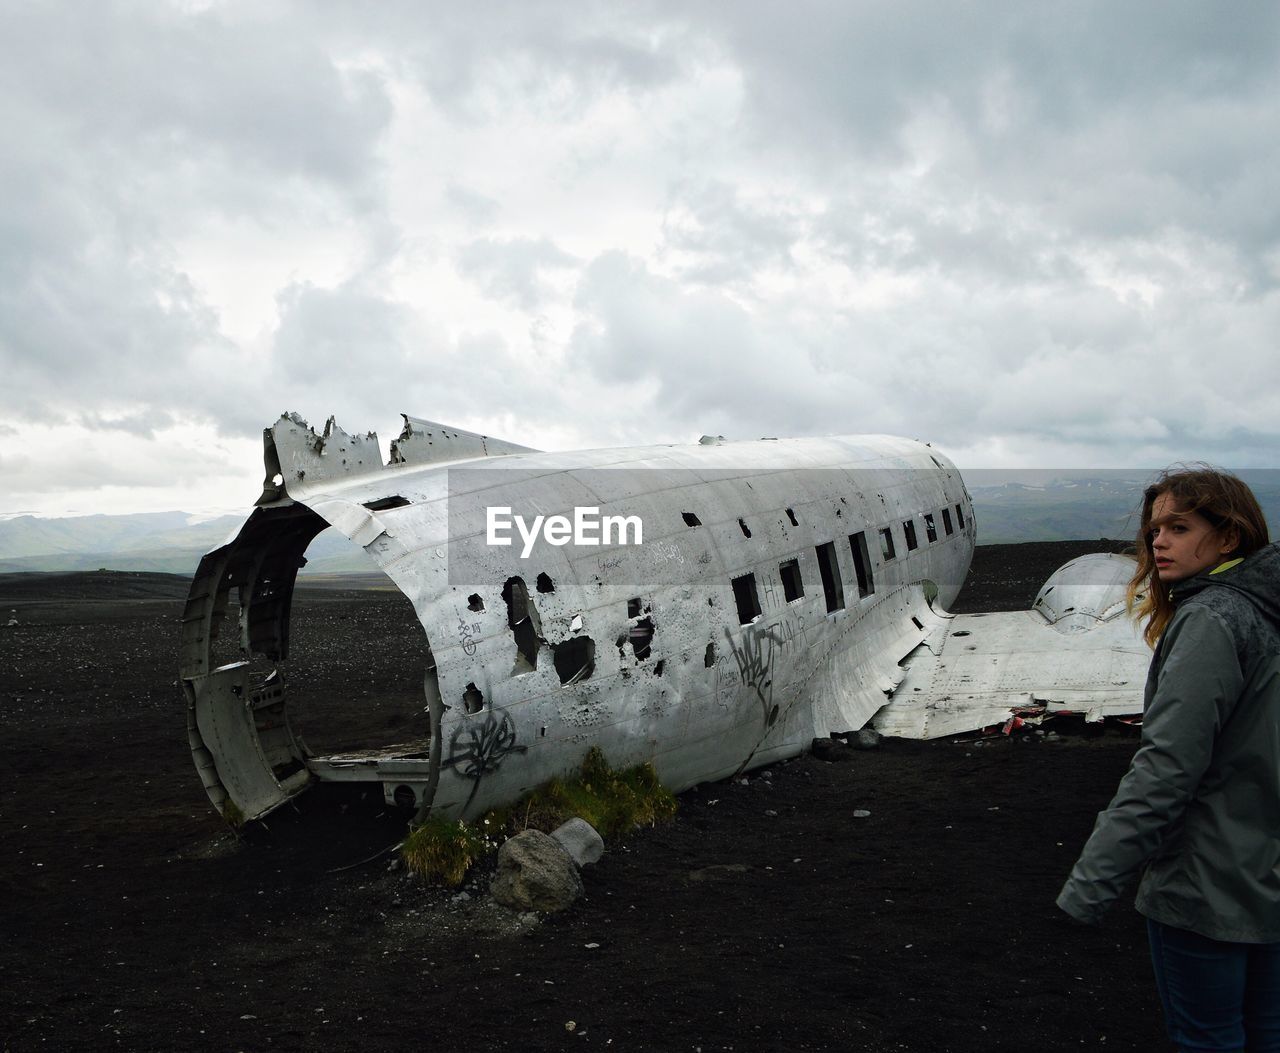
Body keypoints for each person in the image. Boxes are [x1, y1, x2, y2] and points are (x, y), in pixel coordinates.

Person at [1057, 466, 1280, 1052]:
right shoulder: (1268, 607)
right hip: (1268, 874)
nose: (1158, 542)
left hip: (1205, 882)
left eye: (1178, 528)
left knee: (1207, 1039)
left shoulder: (1211, 619)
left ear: (1228, 537)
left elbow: (1167, 767)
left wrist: (1091, 883)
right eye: (1155, 529)